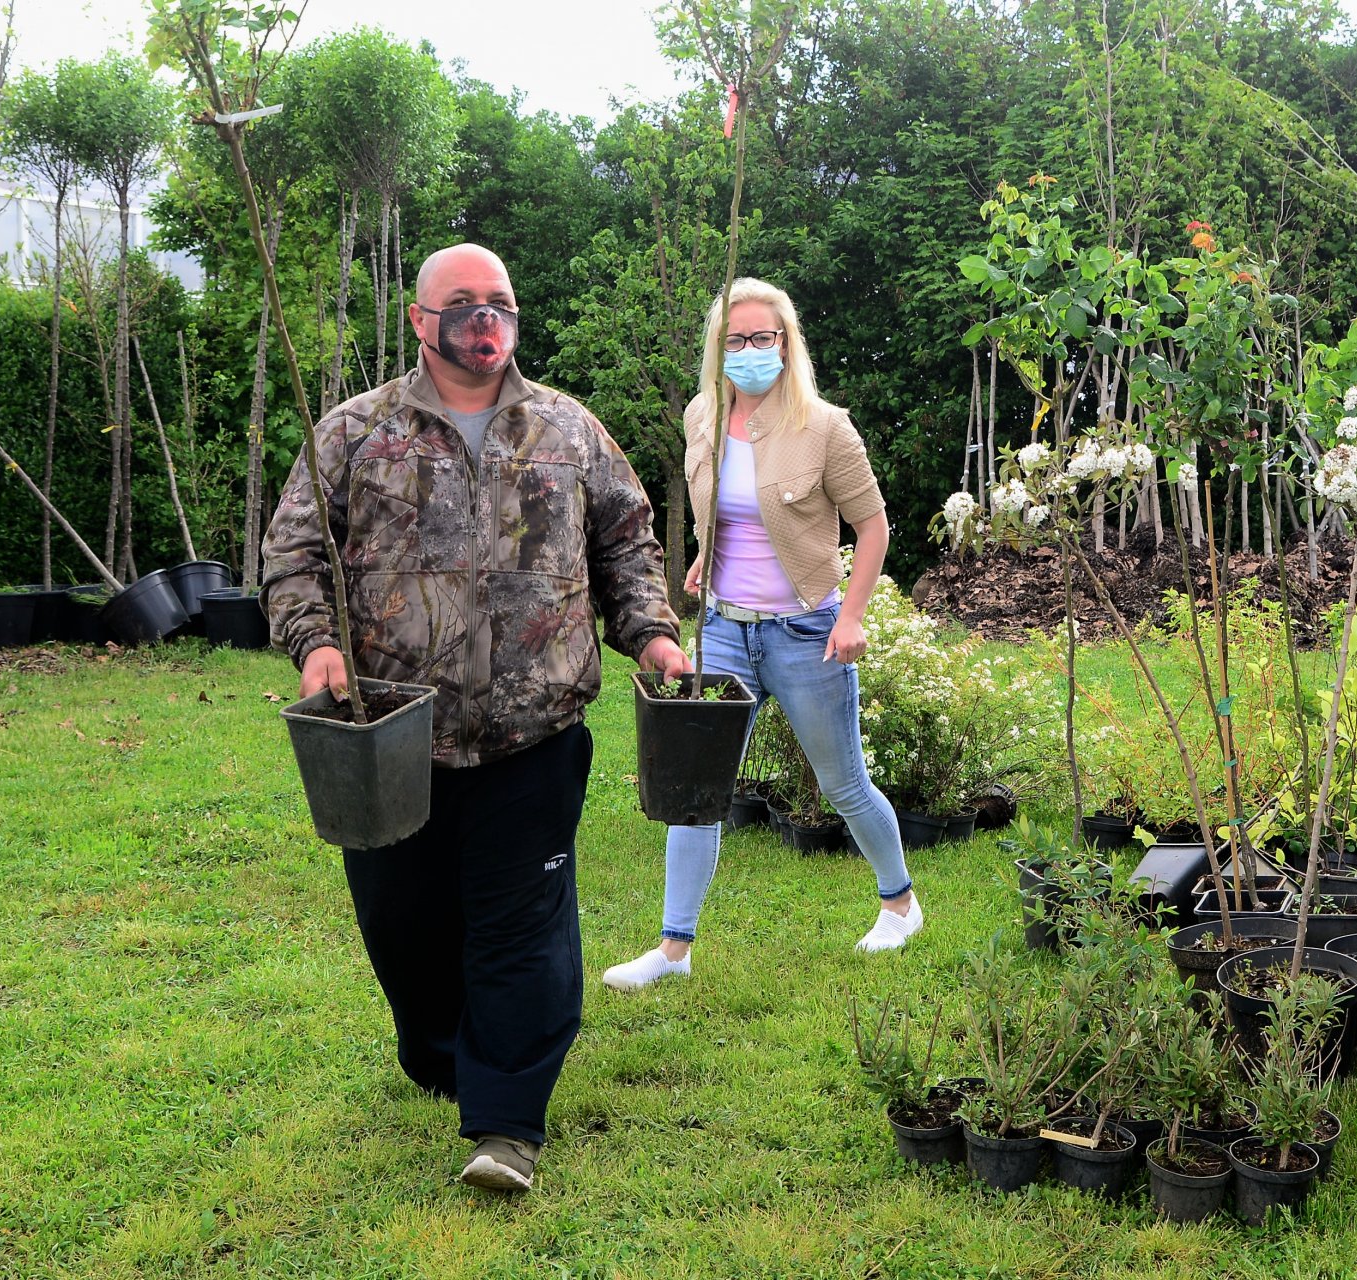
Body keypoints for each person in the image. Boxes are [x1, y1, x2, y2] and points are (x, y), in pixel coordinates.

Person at [261, 243, 688, 1195]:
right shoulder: (353, 432)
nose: (485, 320)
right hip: (387, 735)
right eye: (462, 305)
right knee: (403, 927)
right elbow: (292, 555)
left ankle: (506, 1125)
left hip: (533, 733)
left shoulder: (571, 431)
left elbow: (626, 542)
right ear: (420, 321)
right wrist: (315, 646)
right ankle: (445, 1052)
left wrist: (653, 635)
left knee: (522, 925)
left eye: (500, 302)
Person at [602, 277, 922, 993]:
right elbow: (723, 515)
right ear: (718, 350)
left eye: (763, 338)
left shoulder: (824, 426)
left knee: (844, 784)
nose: (750, 351)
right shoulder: (702, 417)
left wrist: (852, 617)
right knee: (698, 787)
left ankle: (899, 904)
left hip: (806, 632)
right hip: (724, 632)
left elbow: (873, 527)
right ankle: (673, 951)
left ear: (786, 343)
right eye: (735, 340)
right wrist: (703, 565)